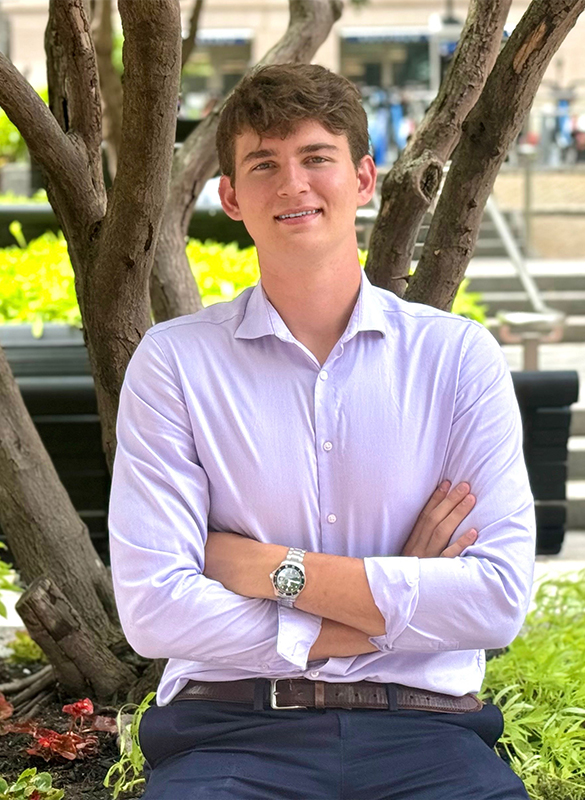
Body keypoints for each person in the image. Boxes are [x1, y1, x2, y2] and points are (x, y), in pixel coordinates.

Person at [108, 63, 536, 800]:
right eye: (265, 164)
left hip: (426, 732)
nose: (293, 184)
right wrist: (395, 594)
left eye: (316, 158)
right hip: (230, 734)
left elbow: (496, 597)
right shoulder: (175, 363)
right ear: (231, 196)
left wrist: (269, 569)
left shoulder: (457, 357)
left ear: (364, 179)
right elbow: (155, 612)